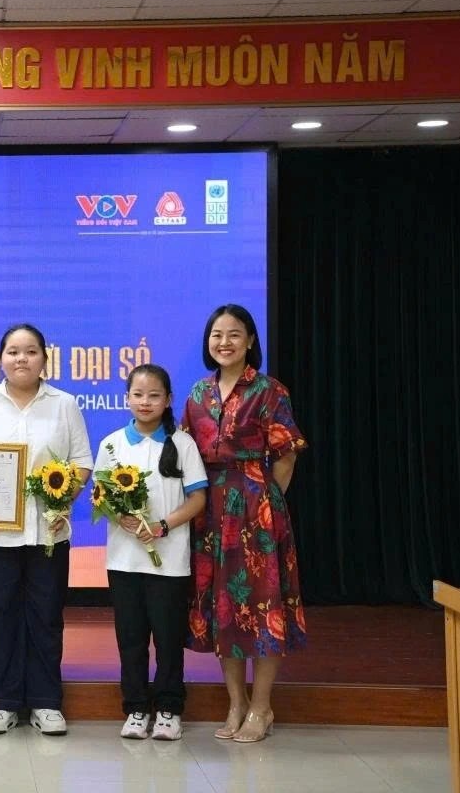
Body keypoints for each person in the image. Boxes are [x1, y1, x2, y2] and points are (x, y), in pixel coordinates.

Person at [182, 304, 307, 743]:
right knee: (223, 609)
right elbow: (185, 456)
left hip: (257, 507)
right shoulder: (197, 394)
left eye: (235, 334)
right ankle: (235, 702)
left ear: (251, 341)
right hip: (210, 510)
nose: (225, 342)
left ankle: (262, 706)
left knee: (262, 606)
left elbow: (286, 455)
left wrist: (264, 503)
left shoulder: (271, 391)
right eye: (217, 334)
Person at [0, 323, 92, 736]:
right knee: (0, 614)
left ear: (44, 358)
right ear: (0, 358)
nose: (22, 359)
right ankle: (1, 701)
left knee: (46, 616)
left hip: (48, 534)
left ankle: (45, 701)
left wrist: (62, 500)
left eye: (31, 351)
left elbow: (82, 462)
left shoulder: (64, 404)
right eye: (13, 352)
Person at [97, 364, 207, 741]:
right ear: (127, 398)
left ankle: (169, 709)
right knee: (130, 639)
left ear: (168, 400)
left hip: (170, 560)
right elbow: (101, 495)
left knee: (168, 638)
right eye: (138, 395)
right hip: (124, 560)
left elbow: (198, 498)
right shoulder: (111, 444)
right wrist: (120, 515)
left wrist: (163, 526)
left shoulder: (183, 444)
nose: (145, 402)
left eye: (154, 395)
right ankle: (136, 708)